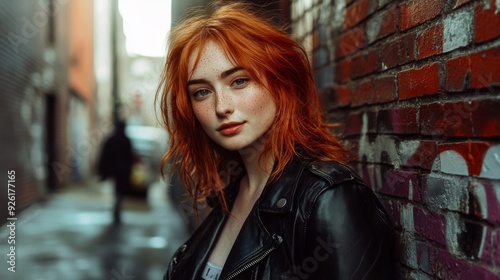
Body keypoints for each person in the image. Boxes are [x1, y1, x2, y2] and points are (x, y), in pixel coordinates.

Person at [157, 1, 395, 279]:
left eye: (239, 81)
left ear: (280, 82)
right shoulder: (230, 195)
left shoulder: (328, 198)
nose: (221, 106)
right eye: (201, 92)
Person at [98, 120, 133, 224]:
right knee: (119, 190)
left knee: (117, 190)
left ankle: (116, 208)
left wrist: (103, 171)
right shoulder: (126, 140)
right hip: (122, 171)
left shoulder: (111, 139)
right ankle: (117, 208)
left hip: (113, 169)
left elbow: (104, 155)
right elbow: (129, 158)